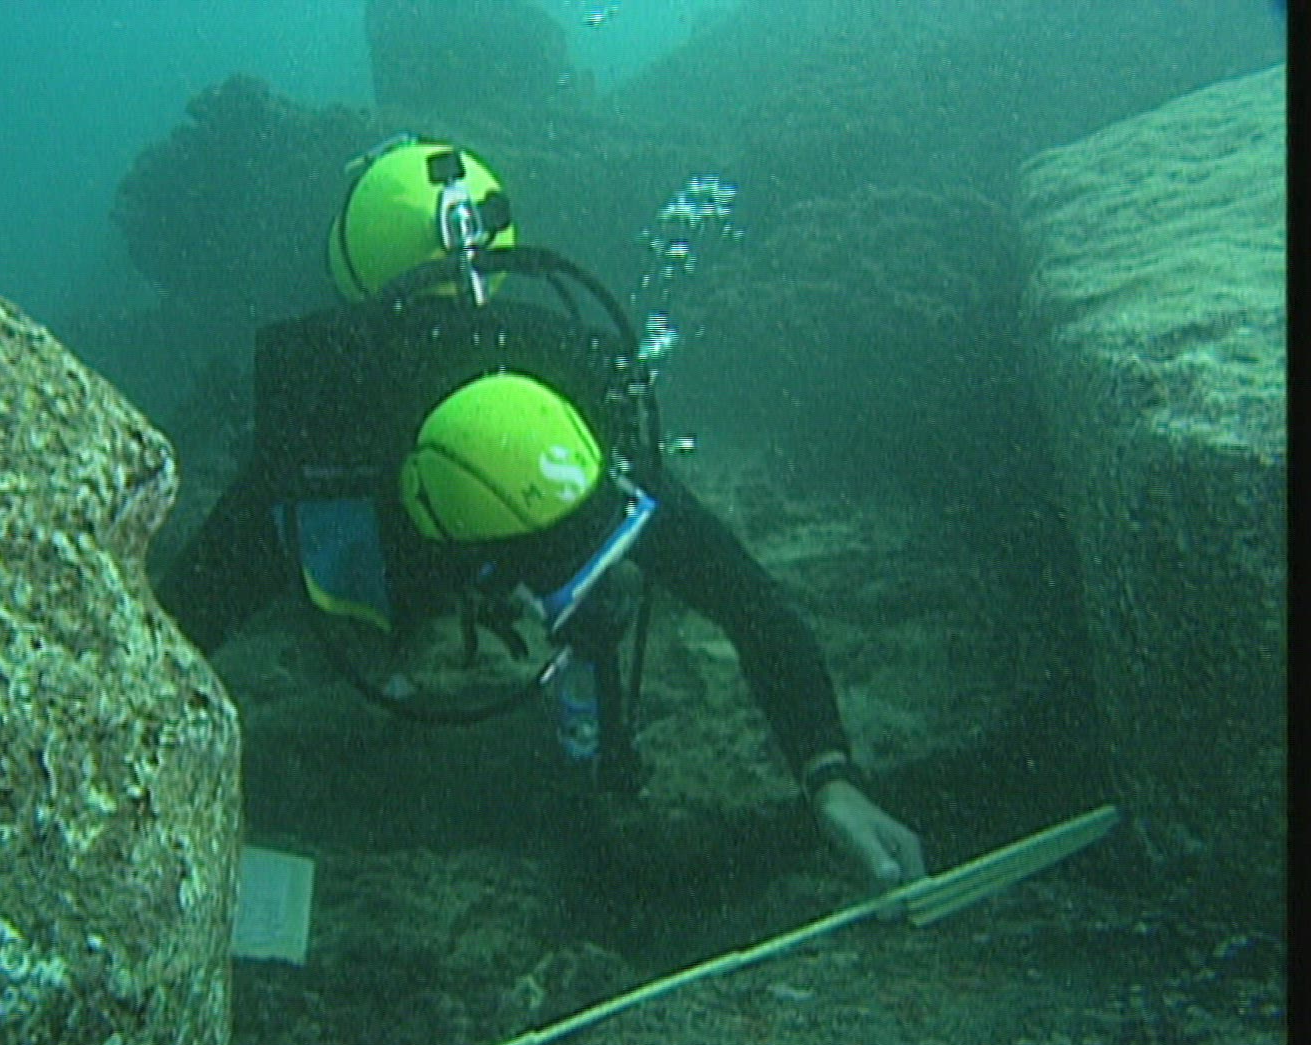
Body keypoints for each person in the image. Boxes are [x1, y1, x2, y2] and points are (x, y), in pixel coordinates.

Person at [156, 135, 926, 888]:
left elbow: (176, 623)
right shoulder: (353, 438)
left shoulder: (357, 441)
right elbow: (740, 593)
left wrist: (831, 777)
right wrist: (828, 773)